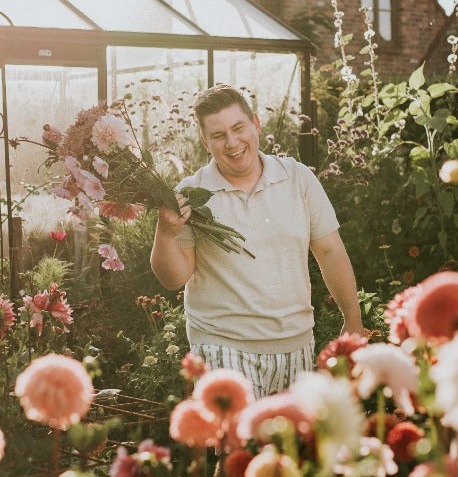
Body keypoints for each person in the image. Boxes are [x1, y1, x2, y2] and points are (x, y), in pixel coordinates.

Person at [150, 84, 363, 398]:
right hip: (223, 346)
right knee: (241, 447)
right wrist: (165, 233)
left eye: (238, 128)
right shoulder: (191, 193)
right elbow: (173, 278)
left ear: (256, 124)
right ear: (205, 142)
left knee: (287, 446)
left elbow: (330, 250)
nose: (233, 142)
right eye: (219, 135)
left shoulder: (298, 179)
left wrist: (353, 321)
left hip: (296, 344)